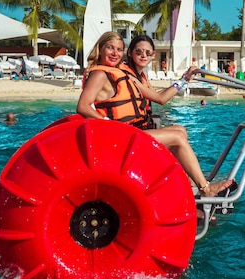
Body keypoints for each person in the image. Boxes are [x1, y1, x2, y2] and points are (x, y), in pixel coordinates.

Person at [76, 32, 233, 198]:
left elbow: (159, 98)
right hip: (121, 138)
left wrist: (185, 79)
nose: (115, 53)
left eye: (118, 49)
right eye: (110, 48)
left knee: (180, 130)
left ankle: (187, 183)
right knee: (177, 138)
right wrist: (109, 124)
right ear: (100, 49)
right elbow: (82, 106)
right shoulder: (101, 74)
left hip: (130, 133)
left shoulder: (123, 74)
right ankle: (206, 189)